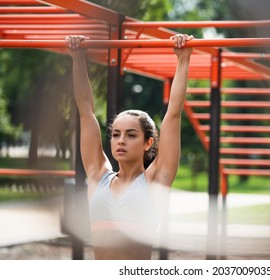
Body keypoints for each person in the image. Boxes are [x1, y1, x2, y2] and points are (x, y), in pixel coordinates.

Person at [66, 33, 193, 260]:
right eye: (116, 134)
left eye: (131, 135)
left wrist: (183, 60)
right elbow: (85, 110)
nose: (120, 140)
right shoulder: (98, 176)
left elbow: (173, 114)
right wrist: (78, 59)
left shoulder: (156, 180)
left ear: (148, 143)